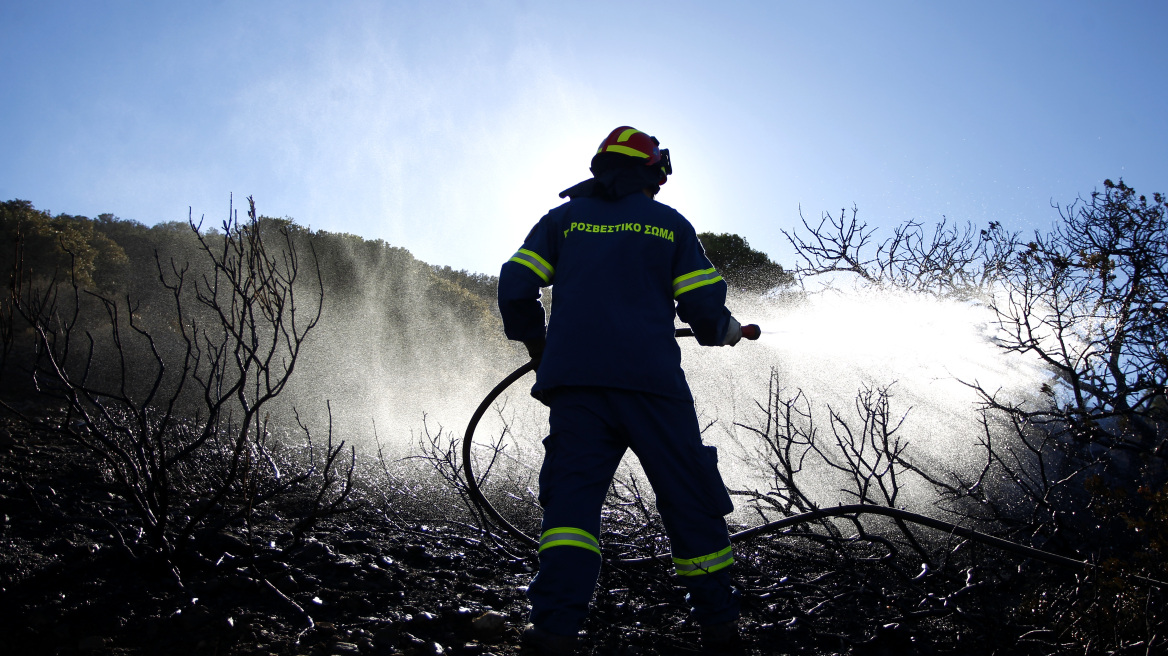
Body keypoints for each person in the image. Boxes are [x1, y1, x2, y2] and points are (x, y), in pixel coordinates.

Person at [498, 126, 747, 654]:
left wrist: (538, 347)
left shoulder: (563, 220)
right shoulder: (667, 224)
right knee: (690, 499)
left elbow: (516, 284)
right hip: (652, 385)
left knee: (571, 511)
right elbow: (704, 310)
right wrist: (724, 330)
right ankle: (720, 629)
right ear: (653, 174)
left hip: (577, 388)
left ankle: (554, 634)